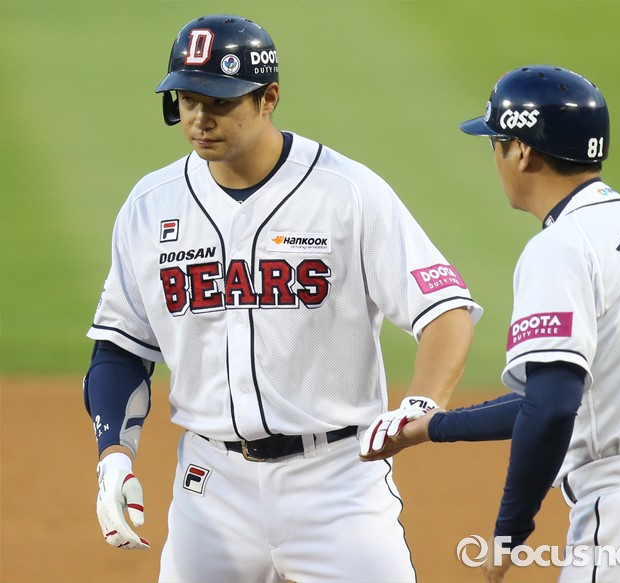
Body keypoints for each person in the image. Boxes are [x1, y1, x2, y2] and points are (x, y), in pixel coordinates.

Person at [83, 14, 483, 583]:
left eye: (220, 102)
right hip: (210, 488)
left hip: (338, 482)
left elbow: (446, 312)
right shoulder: (151, 205)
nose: (200, 119)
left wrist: (422, 403)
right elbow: (121, 347)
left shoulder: (345, 192)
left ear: (268, 98)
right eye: (188, 100)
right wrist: (114, 457)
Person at [361, 65, 620, 582]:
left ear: (521, 151)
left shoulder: (562, 246)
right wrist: (433, 427)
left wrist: (509, 531)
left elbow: (551, 407)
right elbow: (560, 398)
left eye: (495, 143)